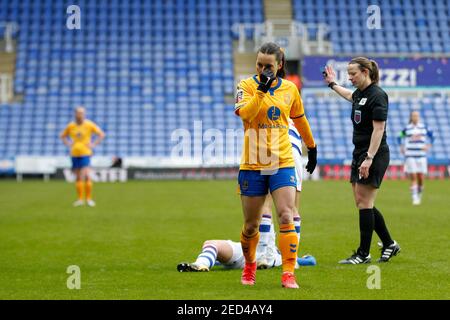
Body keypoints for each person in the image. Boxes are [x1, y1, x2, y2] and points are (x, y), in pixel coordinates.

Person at [234, 42, 317, 288]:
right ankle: (250, 266)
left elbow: (299, 119)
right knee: (251, 226)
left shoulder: (290, 89)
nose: (262, 69)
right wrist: (261, 90)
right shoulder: (246, 86)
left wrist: (311, 147)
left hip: (282, 161)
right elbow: (246, 114)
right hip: (252, 164)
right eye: (259, 64)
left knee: (286, 215)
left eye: (268, 66)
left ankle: (288, 273)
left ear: (279, 65)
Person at [323, 58, 400, 264]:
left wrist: (369, 158)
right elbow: (350, 95)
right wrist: (332, 84)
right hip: (359, 153)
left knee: (365, 202)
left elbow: (379, 129)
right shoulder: (360, 94)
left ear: (365, 72)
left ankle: (363, 254)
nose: (349, 78)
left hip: (373, 154)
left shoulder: (378, 95)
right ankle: (390, 244)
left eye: (353, 74)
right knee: (363, 202)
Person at [176, 214, 316, 273]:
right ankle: (202, 264)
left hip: (245, 253)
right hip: (248, 253)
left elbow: (308, 261)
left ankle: (203, 263)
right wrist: (306, 258)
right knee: (211, 243)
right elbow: (309, 261)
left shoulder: (277, 257)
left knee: (212, 244)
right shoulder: (281, 257)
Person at [60, 106, 105, 207]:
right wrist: (69, 144)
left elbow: (101, 134)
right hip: (74, 154)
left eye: (82, 113)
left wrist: (93, 144)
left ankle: (89, 199)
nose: (80, 115)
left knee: (86, 174)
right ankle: (80, 199)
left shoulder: (89, 124)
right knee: (78, 178)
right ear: (75, 114)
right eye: (78, 113)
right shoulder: (71, 126)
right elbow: (62, 136)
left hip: (85, 153)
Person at [398, 111, 433, 205]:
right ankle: (415, 198)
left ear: (419, 117)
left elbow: (432, 136)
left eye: (417, 115)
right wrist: (401, 146)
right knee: (413, 177)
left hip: (421, 156)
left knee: (420, 177)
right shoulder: (407, 128)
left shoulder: (424, 127)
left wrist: (429, 145)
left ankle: (419, 191)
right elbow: (399, 136)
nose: (415, 117)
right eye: (413, 116)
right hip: (410, 155)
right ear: (411, 117)